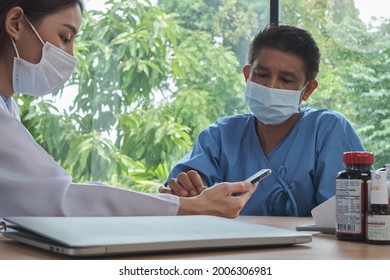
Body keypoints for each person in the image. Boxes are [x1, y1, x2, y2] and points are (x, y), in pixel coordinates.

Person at [0, 0, 256, 219]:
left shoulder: (8, 107)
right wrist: (192, 206)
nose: (71, 55)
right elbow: (60, 200)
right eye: (65, 38)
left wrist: (184, 205)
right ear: (16, 23)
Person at [161, 25, 366, 216]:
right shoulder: (220, 135)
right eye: (261, 75)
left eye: (286, 79)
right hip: (231, 249)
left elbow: (348, 215)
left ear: (308, 89)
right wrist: (188, 189)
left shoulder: (327, 129)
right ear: (247, 75)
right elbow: (179, 197)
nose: (271, 87)